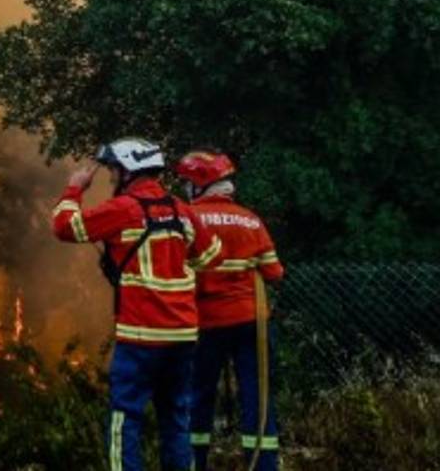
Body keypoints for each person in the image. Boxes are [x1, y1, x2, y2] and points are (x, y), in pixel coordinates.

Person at [52, 138, 223, 471]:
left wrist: (74, 189)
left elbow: (64, 227)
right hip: (183, 337)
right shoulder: (181, 210)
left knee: (125, 419)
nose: (112, 177)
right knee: (176, 419)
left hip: (141, 338)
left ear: (129, 170)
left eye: (115, 170)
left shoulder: (123, 209)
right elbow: (210, 255)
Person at [176, 150, 283, 471]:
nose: (184, 189)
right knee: (256, 396)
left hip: (204, 324)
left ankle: (194, 463)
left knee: (197, 395)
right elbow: (275, 273)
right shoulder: (251, 219)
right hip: (251, 323)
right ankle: (263, 464)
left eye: (186, 182)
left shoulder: (186, 218)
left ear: (199, 184)